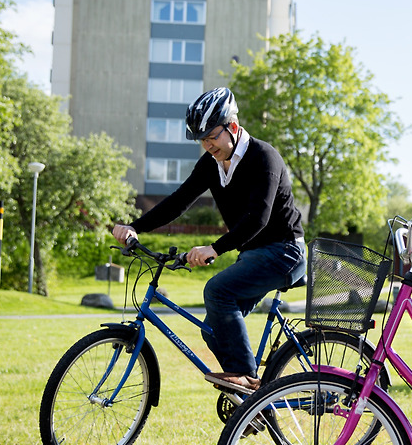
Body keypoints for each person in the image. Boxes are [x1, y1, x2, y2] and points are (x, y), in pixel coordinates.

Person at [112, 87, 305, 394]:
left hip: (285, 251)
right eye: (201, 139)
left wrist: (215, 248)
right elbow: (178, 202)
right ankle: (252, 404)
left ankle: (247, 380)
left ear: (232, 127)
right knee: (213, 330)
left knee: (217, 291)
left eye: (211, 136)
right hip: (254, 255)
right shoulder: (211, 164)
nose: (207, 144)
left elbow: (259, 218)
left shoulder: (263, 157)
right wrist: (135, 226)